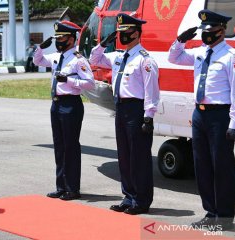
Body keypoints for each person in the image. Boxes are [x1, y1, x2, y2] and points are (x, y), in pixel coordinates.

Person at [168, 9, 235, 230]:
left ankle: (224, 218)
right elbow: (174, 58)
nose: (206, 35)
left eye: (210, 30)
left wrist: (234, 123)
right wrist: (180, 40)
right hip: (200, 114)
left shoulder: (233, 57)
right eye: (204, 31)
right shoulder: (201, 53)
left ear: (222, 31)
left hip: (220, 116)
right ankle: (210, 213)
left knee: (221, 167)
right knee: (201, 166)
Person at [89, 13, 160, 215]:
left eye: (126, 33)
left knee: (139, 157)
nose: (122, 37)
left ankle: (141, 200)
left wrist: (149, 116)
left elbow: (151, 91)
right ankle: (128, 196)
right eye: (120, 33)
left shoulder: (145, 60)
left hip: (137, 110)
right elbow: (94, 59)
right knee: (125, 156)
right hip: (120, 108)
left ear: (137, 34)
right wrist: (103, 44)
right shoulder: (119, 56)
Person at [33, 21, 95, 201]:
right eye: (57, 38)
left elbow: (90, 83)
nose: (58, 41)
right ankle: (61, 186)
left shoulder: (78, 60)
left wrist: (68, 81)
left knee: (70, 147)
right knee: (59, 147)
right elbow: (38, 61)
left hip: (71, 105)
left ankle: (73, 188)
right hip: (56, 104)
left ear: (71, 38)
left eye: (61, 37)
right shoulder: (55, 57)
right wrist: (40, 48)